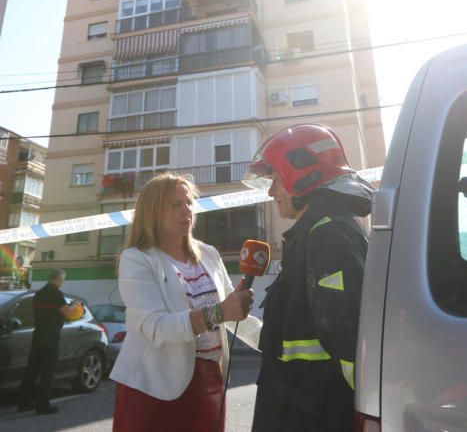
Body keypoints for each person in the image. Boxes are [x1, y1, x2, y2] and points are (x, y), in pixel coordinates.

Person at [243, 124, 373, 432]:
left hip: (311, 418)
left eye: (275, 179)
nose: (271, 191)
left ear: (301, 176)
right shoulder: (316, 236)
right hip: (301, 412)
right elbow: (291, 339)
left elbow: (350, 346)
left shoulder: (327, 238)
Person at [110, 172, 262, 432]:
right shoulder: (136, 259)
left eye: (189, 202)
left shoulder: (209, 254)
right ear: (153, 212)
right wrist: (219, 312)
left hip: (210, 382)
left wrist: (278, 344)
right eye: (175, 205)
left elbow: (233, 313)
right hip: (153, 388)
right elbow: (157, 327)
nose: (187, 210)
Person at [18, 269, 78, 414]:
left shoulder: (38, 294)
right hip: (51, 335)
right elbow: (66, 312)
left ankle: (24, 402)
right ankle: (43, 405)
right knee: (47, 371)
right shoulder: (56, 293)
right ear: (58, 279)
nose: (62, 283)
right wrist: (74, 306)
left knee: (32, 369)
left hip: (38, 334)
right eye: (62, 280)